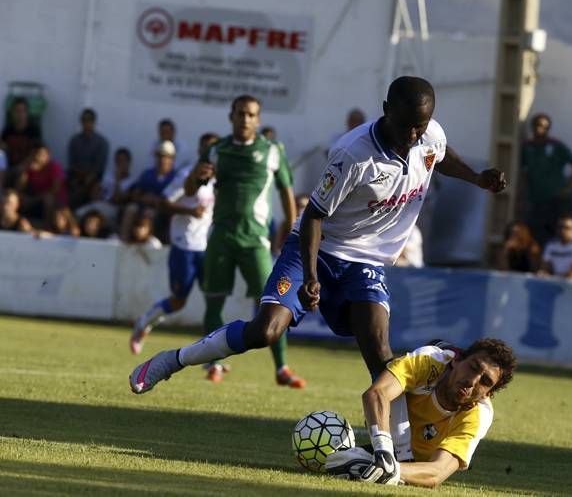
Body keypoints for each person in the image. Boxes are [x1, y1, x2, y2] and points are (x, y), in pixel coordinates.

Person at [129, 78, 507, 443]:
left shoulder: (429, 133)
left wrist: (476, 177)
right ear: (386, 110)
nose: (413, 134)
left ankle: (393, 452)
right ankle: (174, 360)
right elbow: (313, 215)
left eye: (420, 125)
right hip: (314, 248)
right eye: (406, 124)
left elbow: (439, 155)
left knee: (383, 360)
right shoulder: (352, 153)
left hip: (365, 263)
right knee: (266, 331)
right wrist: (311, 276)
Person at [147, 97, 304, 386]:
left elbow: (285, 191)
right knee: (214, 303)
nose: (245, 119)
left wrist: (292, 232)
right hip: (220, 237)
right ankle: (214, 364)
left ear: (258, 119)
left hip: (255, 240)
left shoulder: (271, 151)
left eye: (251, 114)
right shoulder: (216, 150)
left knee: (274, 305)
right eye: (240, 113)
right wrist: (196, 176)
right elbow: (190, 188)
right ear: (231, 116)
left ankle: (282, 368)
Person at [325, 338, 516, 487]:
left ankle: (375, 464)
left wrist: (391, 470)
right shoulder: (430, 361)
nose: (472, 381)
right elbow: (376, 393)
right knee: (391, 374)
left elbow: (437, 473)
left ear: (488, 394)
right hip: (386, 443)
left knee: (345, 461)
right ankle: (382, 455)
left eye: (485, 382)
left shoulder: (478, 415)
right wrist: (383, 450)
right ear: (457, 359)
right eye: (473, 367)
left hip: (414, 467)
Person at [129, 133, 218, 355]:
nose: (210, 154)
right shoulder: (186, 175)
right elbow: (163, 203)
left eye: (214, 149)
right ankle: (145, 321)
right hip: (184, 245)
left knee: (215, 300)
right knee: (179, 301)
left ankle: (213, 358)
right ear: (199, 150)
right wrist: (190, 211)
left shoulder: (218, 179)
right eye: (206, 148)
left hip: (207, 247)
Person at [519, 113, 572, 245]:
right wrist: (523, 194)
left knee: (561, 232)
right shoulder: (527, 147)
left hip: (557, 198)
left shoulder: (556, 146)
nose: (539, 128)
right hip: (537, 199)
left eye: (543, 126)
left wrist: (569, 187)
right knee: (537, 233)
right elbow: (523, 171)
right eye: (537, 125)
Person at [119, 141, 177, 242]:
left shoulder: (175, 177)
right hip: (143, 206)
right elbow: (136, 194)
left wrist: (156, 200)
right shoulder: (147, 174)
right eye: (160, 156)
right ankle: (123, 241)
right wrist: (144, 198)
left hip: (163, 210)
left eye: (166, 156)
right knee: (130, 209)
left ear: (172, 159)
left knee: (150, 214)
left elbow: (174, 198)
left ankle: (150, 243)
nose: (162, 159)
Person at [75, 148, 137, 228]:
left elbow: (117, 200)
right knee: (77, 214)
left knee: (92, 219)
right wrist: (96, 193)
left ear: (129, 162)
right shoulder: (107, 175)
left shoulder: (133, 181)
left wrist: (117, 179)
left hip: (113, 208)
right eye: (118, 161)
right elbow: (94, 193)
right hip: (98, 203)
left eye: (123, 161)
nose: (120, 164)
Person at [67, 108, 109, 209]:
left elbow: (98, 168)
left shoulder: (102, 142)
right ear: (81, 121)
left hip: (95, 180)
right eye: (84, 120)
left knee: (83, 191)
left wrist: (87, 180)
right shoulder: (74, 140)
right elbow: (72, 163)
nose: (86, 123)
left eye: (89, 120)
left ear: (94, 121)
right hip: (76, 177)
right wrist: (78, 178)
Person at [17, 144, 68, 224]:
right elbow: (19, 187)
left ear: (48, 156)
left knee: (48, 199)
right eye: (37, 154)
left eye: (42, 154)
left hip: (57, 201)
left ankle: (47, 225)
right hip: (37, 198)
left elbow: (55, 189)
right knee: (18, 197)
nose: (39, 157)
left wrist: (35, 199)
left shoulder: (55, 167)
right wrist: (25, 170)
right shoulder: (31, 168)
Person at [539, 215, 572, 283]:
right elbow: (545, 266)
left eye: (567, 228)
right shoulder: (551, 245)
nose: (563, 230)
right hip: (558, 285)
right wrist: (544, 273)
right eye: (560, 227)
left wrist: (557, 279)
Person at [1, 97, 41, 186]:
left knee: (22, 176)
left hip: (27, 168)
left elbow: (36, 153)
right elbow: (2, 151)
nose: (20, 114)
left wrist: (22, 166)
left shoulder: (33, 130)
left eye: (22, 111)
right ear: (12, 113)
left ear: (27, 113)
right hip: (9, 167)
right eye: (17, 111)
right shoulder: (7, 130)